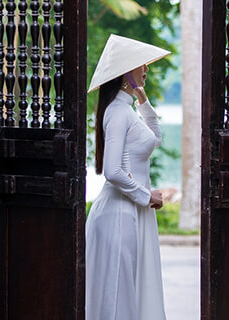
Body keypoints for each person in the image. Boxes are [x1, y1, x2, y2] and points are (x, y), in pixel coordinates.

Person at [85, 34, 170, 320]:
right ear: (125, 72)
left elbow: (155, 138)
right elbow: (112, 171)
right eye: (140, 64)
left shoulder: (127, 110)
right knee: (116, 297)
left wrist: (143, 99)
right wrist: (148, 196)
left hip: (129, 212)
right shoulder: (118, 112)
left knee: (127, 294)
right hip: (118, 216)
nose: (146, 69)